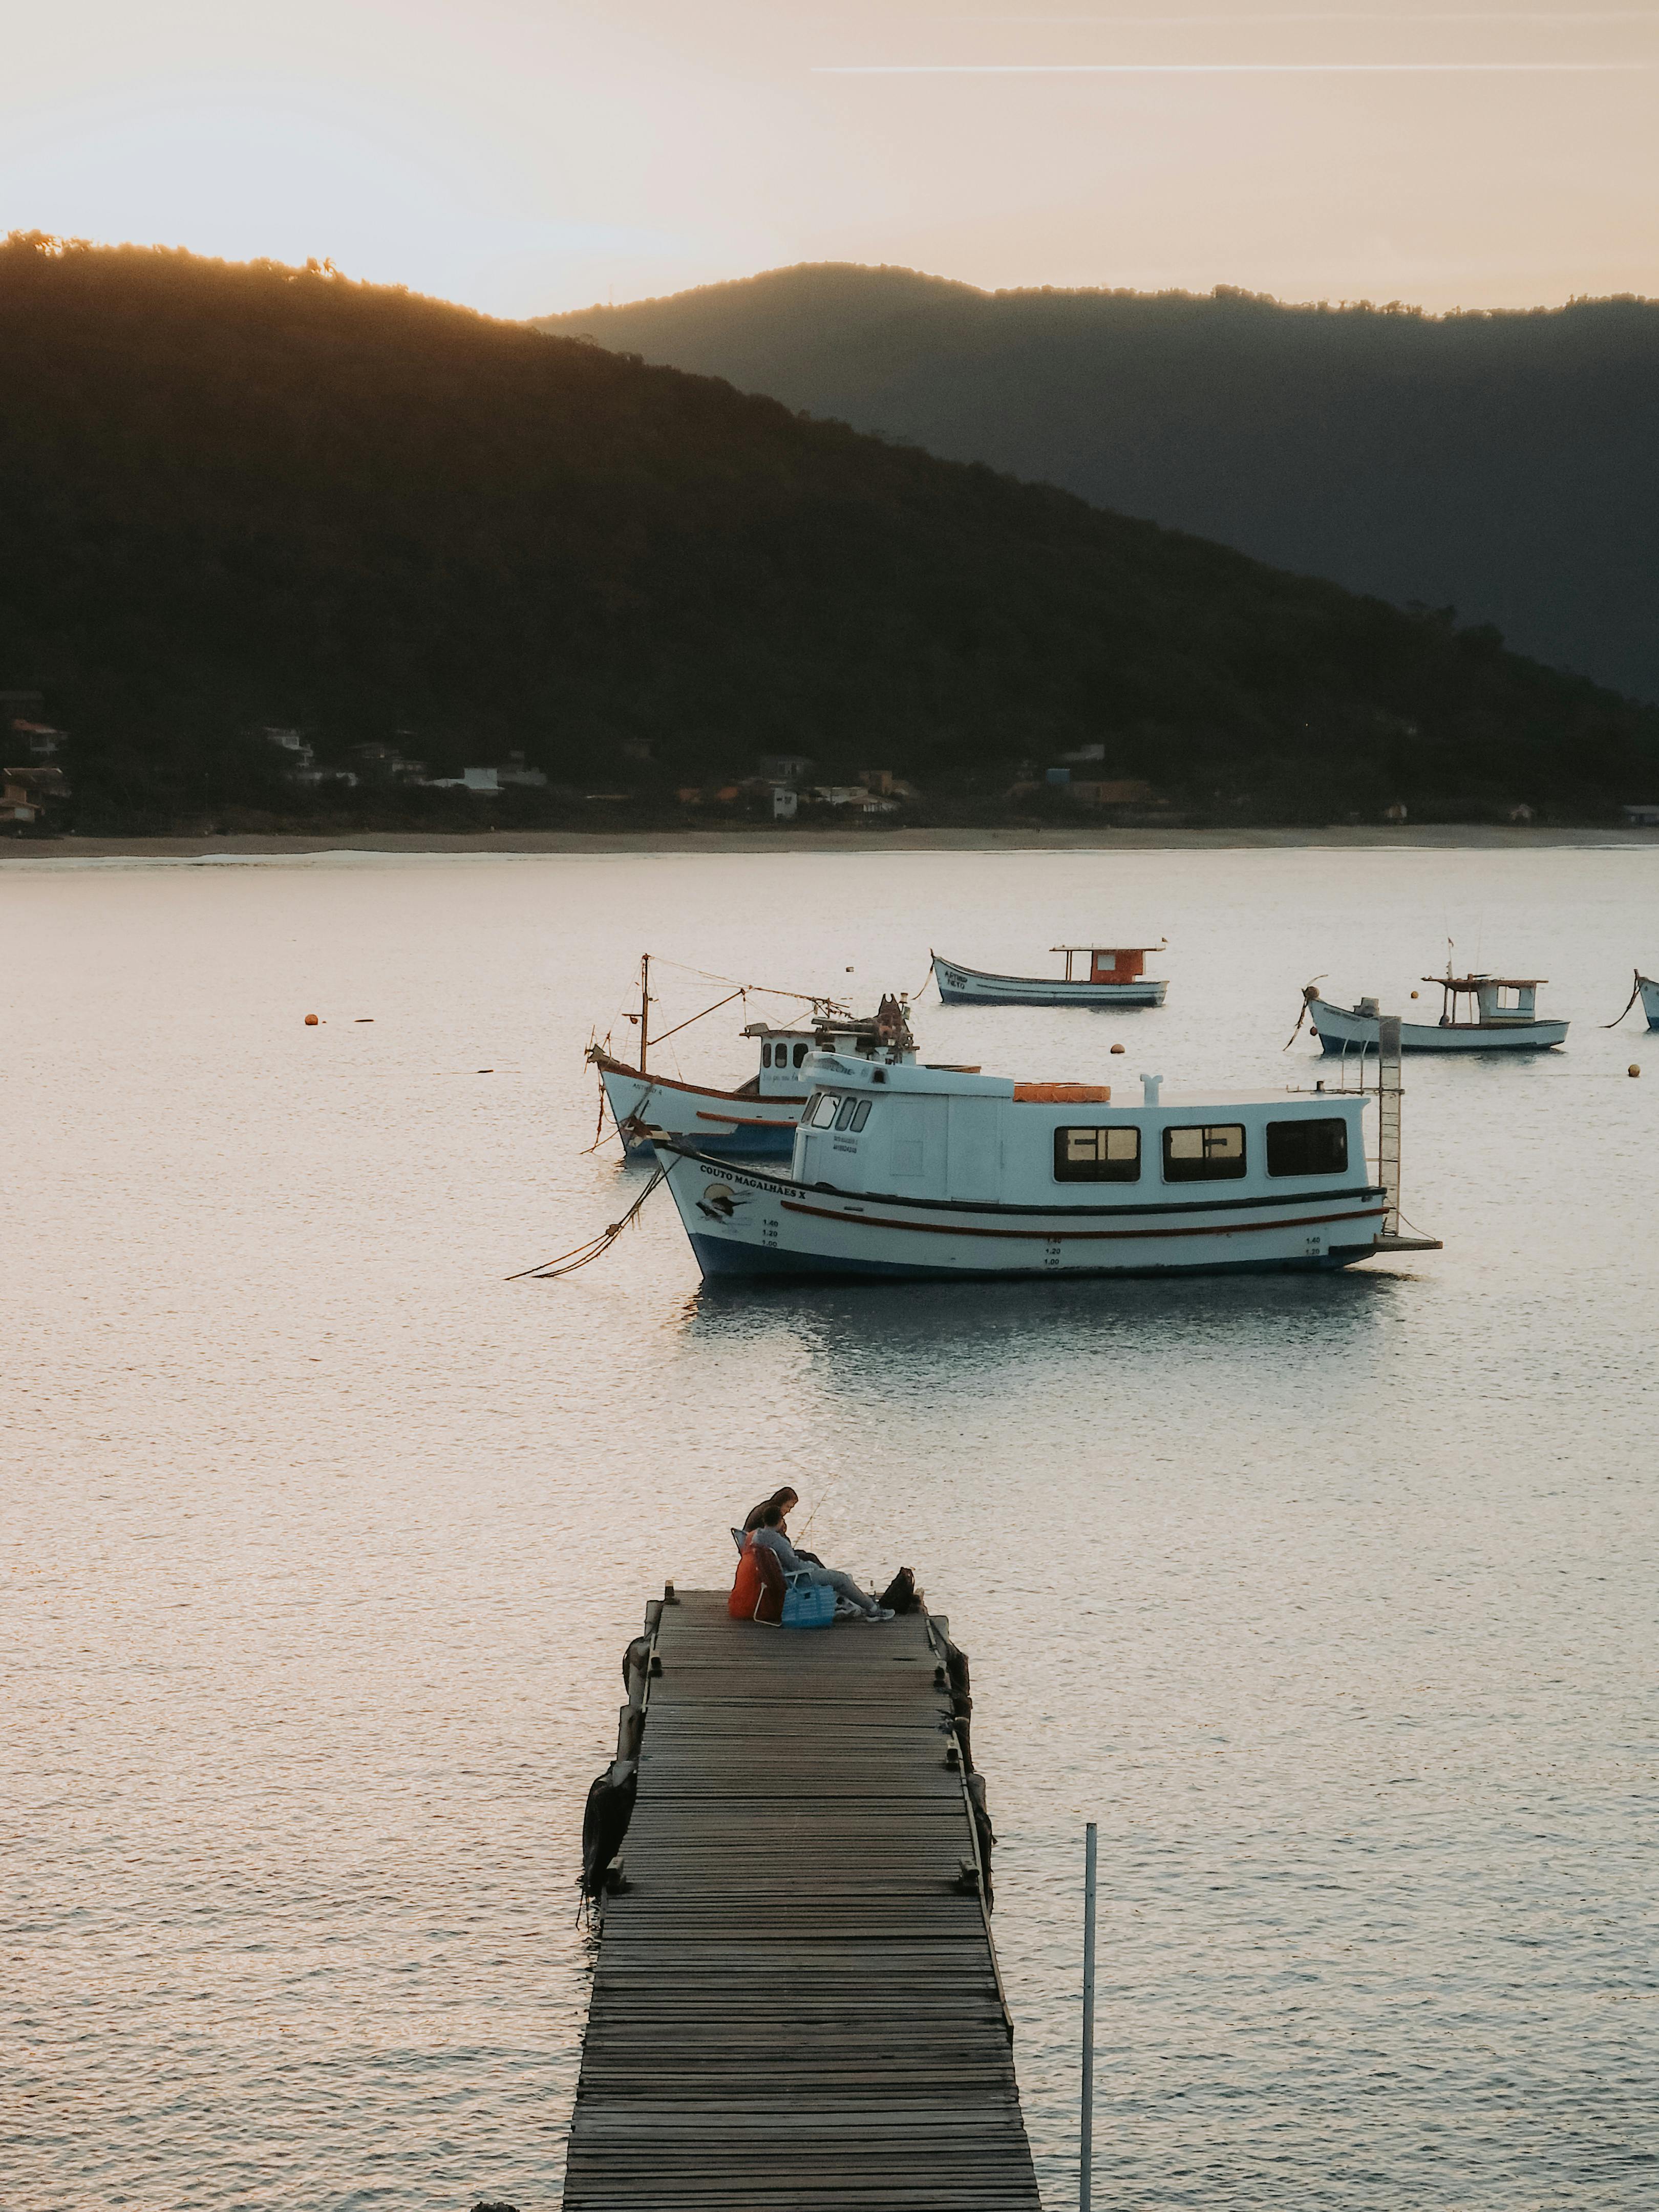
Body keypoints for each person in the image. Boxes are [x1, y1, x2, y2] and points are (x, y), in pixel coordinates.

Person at [749, 1503, 892, 1621]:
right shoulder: (779, 1542)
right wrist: (811, 1566)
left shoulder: (757, 1538)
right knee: (842, 1578)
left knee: (838, 1578)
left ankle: (852, 1605)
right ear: (780, 1521)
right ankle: (874, 1610)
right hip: (797, 1579)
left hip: (780, 1580)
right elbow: (795, 1565)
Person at [742, 1486, 821, 1565]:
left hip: (753, 1549)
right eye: (788, 1507)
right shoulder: (771, 1514)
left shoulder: (765, 1507)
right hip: (766, 1555)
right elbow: (780, 1541)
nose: (789, 1511)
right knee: (811, 1557)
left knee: (804, 1554)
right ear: (782, 1502)